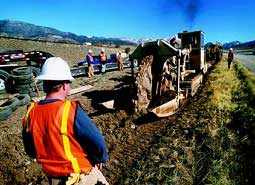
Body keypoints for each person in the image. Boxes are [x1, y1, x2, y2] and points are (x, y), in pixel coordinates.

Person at [22, 57, 109, 185]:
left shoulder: (30, 113)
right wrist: (99, 158)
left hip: (53, 179)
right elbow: (97, 141)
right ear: (64, 85)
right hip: (79, 176)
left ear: (45, 84)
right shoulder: (71, 110)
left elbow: (31, 151)